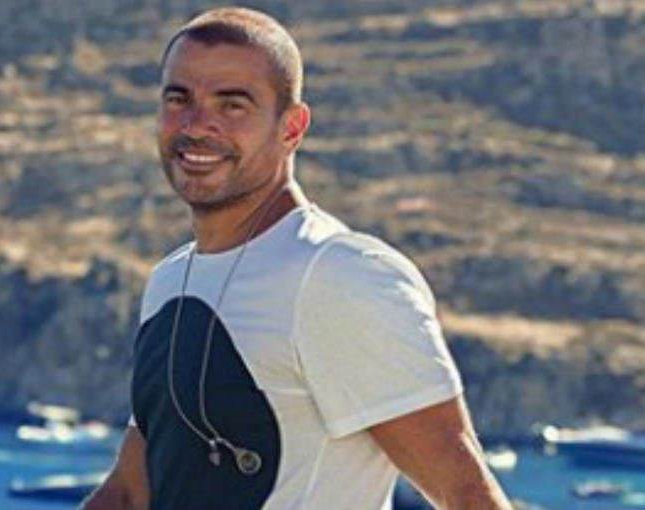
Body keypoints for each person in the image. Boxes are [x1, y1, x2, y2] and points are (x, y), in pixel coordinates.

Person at [80, 7, 513, 510]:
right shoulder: (170, 280)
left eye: (232, 104)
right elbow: (130, 493)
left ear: (292, 127)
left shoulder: (339, 276)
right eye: (179, 99)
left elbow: (469, 497)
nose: (196, 126)